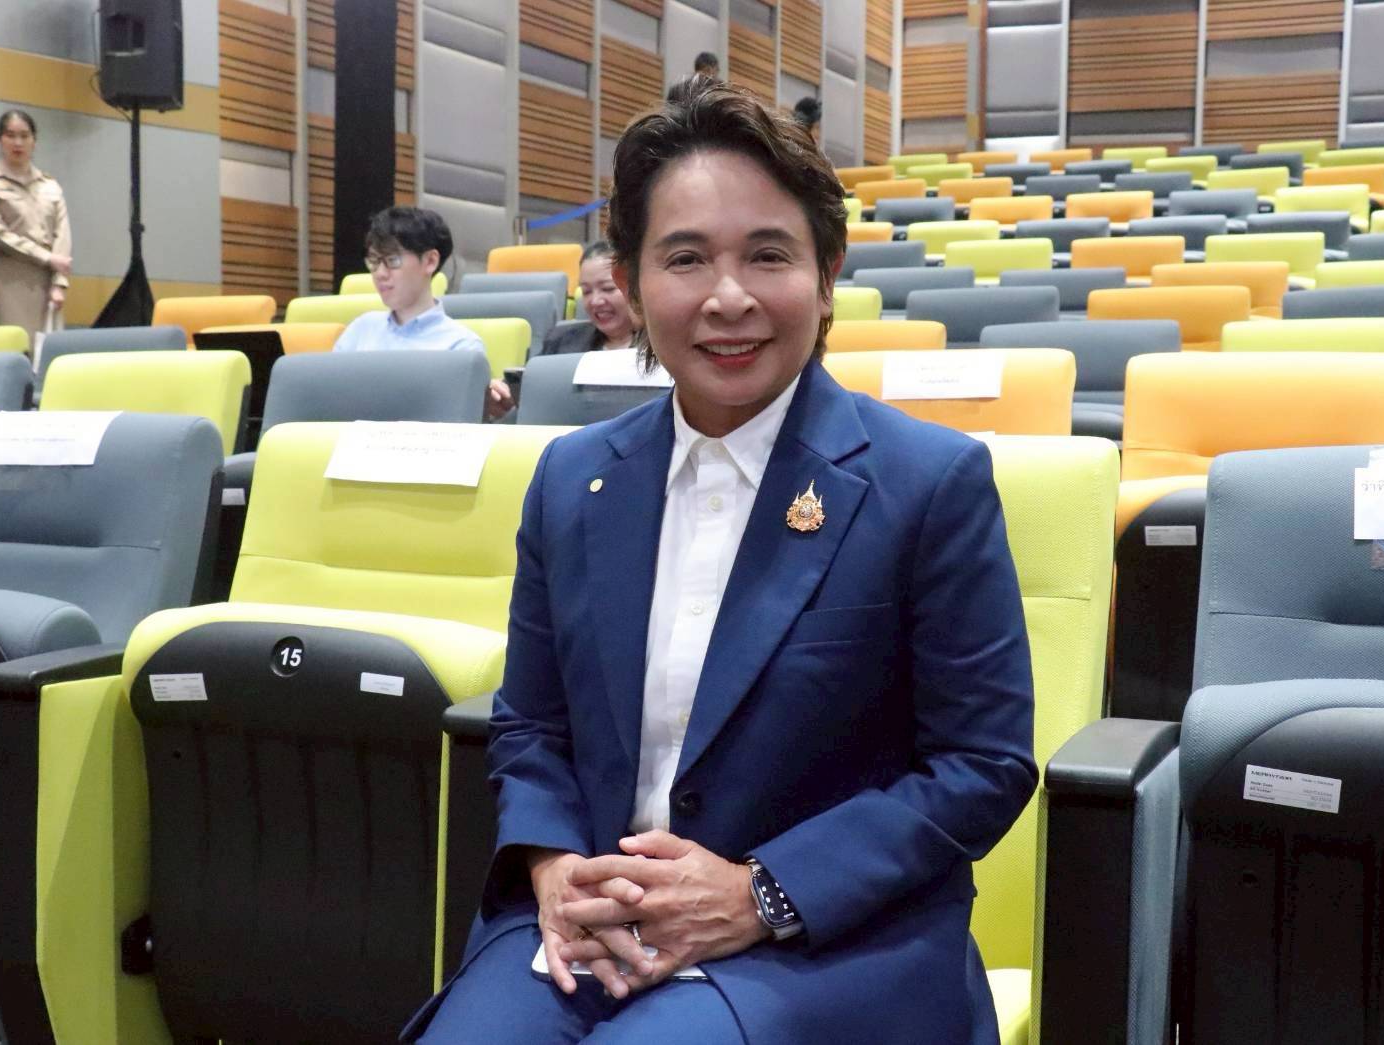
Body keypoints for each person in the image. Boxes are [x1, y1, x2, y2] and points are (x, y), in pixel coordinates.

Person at [405, 78, 1035, 1045]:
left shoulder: (927, 482)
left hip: (822, 942)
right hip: (594, 919)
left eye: (768, 255)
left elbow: (980, 764)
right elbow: (530, 723)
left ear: (826, 274)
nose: (727, 296)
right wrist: (553, 866)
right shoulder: (571, 479)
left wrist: (759, 892)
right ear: (631, 282)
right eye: (685, 258)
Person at [334, 205, 513, 418]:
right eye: (374, 261)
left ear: (430, 261)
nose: (380, 273)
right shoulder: (359, 330)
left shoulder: (461, 347)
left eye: (392, 260)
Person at [0, 110, 72, 342]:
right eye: (10, 135)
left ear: (34, 141)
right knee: (16, 348)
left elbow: (63, 234)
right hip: (10, 277)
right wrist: (47, 258)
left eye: (25, 136)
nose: (18, 143)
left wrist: (60, 283)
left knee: (49, 350)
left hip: (49, 280)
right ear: (0, 139)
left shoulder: (50, 184)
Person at [539, 241, 640, 355]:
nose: (595, 301)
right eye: (586, 291)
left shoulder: (656, 346)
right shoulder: (559, 343)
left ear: (636, 288)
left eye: (607, 288)